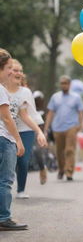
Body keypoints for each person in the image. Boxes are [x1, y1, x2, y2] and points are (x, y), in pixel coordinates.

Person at [6, 59, 47, 198]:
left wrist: (39, 132)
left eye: (21, 71)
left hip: (25, 130)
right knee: (8, 159)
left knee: (23, 160)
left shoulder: (25, 92)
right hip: (6, 129)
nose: (19, 73)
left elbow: (24, 116)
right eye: (15, 70)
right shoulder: (1, 90)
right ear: (7, 71)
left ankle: (21, 190)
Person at [0, 49, 27, 230]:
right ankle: (4, 218)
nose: (12, 71)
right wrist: (18, 139)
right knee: (5, 181)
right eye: (9, 67)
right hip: (4, 139)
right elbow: (6, 117)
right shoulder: (1, 89)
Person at [44, 75, 83, 181]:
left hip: (71, 127)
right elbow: (50, 113)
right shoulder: (55, 97)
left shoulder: (76, 97)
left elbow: (80, 111)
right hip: (57, 128)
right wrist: (46, 128)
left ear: (69, 84)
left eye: (65, 83)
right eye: (62, 83)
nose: (63, 85)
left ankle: (69, 172)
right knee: (59, 151)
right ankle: (61, 169)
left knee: (69, 150)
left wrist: (80, 124)